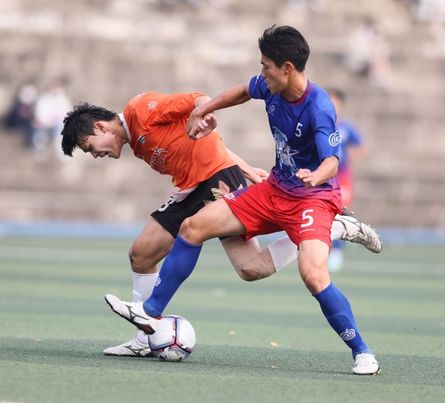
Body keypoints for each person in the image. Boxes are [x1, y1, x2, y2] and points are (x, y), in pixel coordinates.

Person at [104, 25, 380, 374]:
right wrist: (204, 110)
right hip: (274, 190)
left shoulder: (319, 108)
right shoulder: (270, 85)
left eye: (266, 66)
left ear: (288, 69)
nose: (261, 72)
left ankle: (362, 351)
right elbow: (241, 92)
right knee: (193, 228)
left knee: (313, 275)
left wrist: (316, 176)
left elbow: (331, 161)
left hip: (313, 199)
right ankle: (151, 311)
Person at [61, 92, 382, 358]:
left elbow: (198, 99)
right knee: (236, 267)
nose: (94, 155)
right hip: (200, 185)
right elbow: (213, 145)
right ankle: (146, 337)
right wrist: (244, 167)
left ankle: (147, 323)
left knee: (170, 254)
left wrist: (206, 117)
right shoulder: (136, 141)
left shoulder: (139, 110)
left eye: (90, 147)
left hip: (213, 182)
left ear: (101, 127)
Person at [326, 88, 368, 272]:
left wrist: (347, 156)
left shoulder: (345, 128)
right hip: (322, 178)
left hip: (341, 179)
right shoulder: (318, 125)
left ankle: (337, 251)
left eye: (335, 102)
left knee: (339, 212)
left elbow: (362, 148)